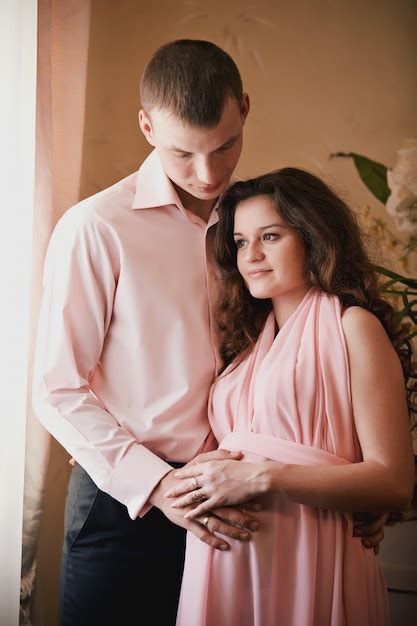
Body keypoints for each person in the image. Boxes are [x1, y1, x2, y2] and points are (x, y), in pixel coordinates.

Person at [33, 40, 387, 626]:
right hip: (130, 505)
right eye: (182, 154)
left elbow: (297, 357)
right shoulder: (96, 228)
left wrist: (352, 490)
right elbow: (57, 388)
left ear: (244, 108)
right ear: (146, 126)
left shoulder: (258, 228)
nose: (207, 173)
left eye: (224, 147)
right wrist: (158, 487)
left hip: (248, 501)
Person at [168, 168, 415, 626]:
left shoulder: (353, 327)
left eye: (271, 236)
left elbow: (395, 480)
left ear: (313, 237)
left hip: (313, 552)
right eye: (241, 242)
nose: (252, 255)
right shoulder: (242, 345)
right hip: (225, 559)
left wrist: (262, 478)